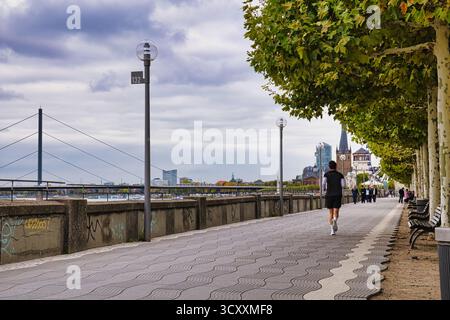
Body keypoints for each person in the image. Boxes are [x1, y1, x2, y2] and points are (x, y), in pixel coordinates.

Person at [323, 161, 345, 236]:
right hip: (337, 194)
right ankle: (335, 219)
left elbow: (323, 183)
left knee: (330, 213)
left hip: (329, 194)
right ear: (336, 166)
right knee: (336, 211)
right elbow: (343, 185)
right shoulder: (340, 175)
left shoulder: (326, 174)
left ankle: (332, 230)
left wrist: (324, 190)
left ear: (329, 167)